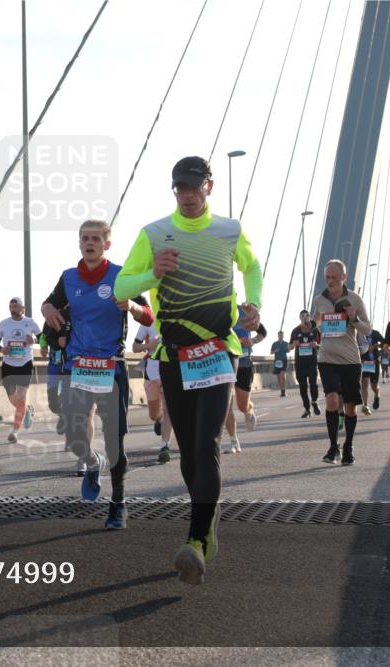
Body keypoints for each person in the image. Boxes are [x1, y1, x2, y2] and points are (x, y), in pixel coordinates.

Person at [115, 155, 262, 585]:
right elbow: (121, 289)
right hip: (174, 355)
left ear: (209, 188)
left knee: (205, 444)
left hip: (218, 351)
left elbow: (251, 266)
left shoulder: (229, 231)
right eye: (180, 188)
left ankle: (195, 541)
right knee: (186, 454)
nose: (188, 195)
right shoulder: (153, 233)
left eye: (195, 187)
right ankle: (208, 514)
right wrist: (150, 274)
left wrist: (253, 304)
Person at [41, 219, 154, 530]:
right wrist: (47, 310)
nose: (89, 243)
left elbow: (149, 314)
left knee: (115, 441)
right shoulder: (69, 277)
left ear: (107, 243)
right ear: (79, 243)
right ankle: (92, 462)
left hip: (112, 366)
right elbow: (49, 303)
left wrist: (132, 306)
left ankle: (118, 504)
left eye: (95, 239)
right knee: (75, 438)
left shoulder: (121, 276)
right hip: (79, 366)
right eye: (84, 238)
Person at [312, 260, 371, 465]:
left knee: (350, 408)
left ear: (344, 277)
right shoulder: (319, 299)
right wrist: (312, 325)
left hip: (350, 360)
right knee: (331, 401)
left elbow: (367, 329)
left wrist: (354, 319)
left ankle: (348, 446)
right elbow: (317, 320)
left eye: (334, 277)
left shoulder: (354, 298)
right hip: (327, 357)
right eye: (327, 277)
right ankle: (332, 447)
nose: (330, 281)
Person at [0, 297, 42, 443]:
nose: (13, 307)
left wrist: (33, 341)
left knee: (20, 399)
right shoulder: (4, 324)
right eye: (11, 305)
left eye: (16, 305)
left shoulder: (30, 322)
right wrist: (2, 349)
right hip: (8, 364)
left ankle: (14, 432)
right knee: (12, 399)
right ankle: (27, 410)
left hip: (25, 363)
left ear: (23, 308)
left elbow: (43, 338)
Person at [224, 309, 266, 453]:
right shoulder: (216, 311)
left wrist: (252, 341)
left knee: (242, 406)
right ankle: (233, 441)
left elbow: (263, 332)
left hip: (244, 363)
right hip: (224, 362)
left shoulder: (245, 312)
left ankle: (248, 409)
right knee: (226, 403)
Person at [134, 322, 174, 462]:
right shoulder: (148, 321)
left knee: (168, 408)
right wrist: (149, 346)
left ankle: (165, 447)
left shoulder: (174, 316)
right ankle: (159, 419)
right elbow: (134, 347)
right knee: (154, 415)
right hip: (151, 370)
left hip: (169, 366)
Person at [39, 305, 71, 435]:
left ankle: (70, 432)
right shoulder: (52, 314)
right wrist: (43, 346)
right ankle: (63, 416)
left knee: (67, 399)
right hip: (54, 364)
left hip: (70, 365)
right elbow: (43, 336)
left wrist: (68, 340)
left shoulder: (77, 313)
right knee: (52, 404)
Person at [290, 310, 321, 418]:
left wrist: (316, 345)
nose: (305, 318)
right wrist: (293, 344)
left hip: (312, 363)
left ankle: (314, 401)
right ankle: (307, 409)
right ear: (299, 318)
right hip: (300, 364)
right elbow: (289, 347)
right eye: (302, 316)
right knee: (303, 388)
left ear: (309, 317)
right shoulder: (295, 331)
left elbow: (323, 345)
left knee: (313, 384)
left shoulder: (315, 330)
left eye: (307, 316)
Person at [359, 329, 385, 414]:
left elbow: (385, 344)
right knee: (364, 383)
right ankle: (365, 405)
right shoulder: (358, 333)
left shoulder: (375, 333)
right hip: (363, 361)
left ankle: (377, 395)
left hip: (374, 362)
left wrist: (375, 346)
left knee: (374, 386)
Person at [270, 331, 290, 397]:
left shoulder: (286, 343)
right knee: (278, 377)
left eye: (282, 335)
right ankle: (282, 391)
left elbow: (289, 350)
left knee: (282, 375)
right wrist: (275, 351)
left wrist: (288, 348)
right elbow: (271, 352)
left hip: (284, 360)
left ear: (283, 336)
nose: (280, 336)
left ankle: (284, 391)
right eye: (279, 335)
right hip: (277, 361)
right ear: (278, 336)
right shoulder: (274, 344)